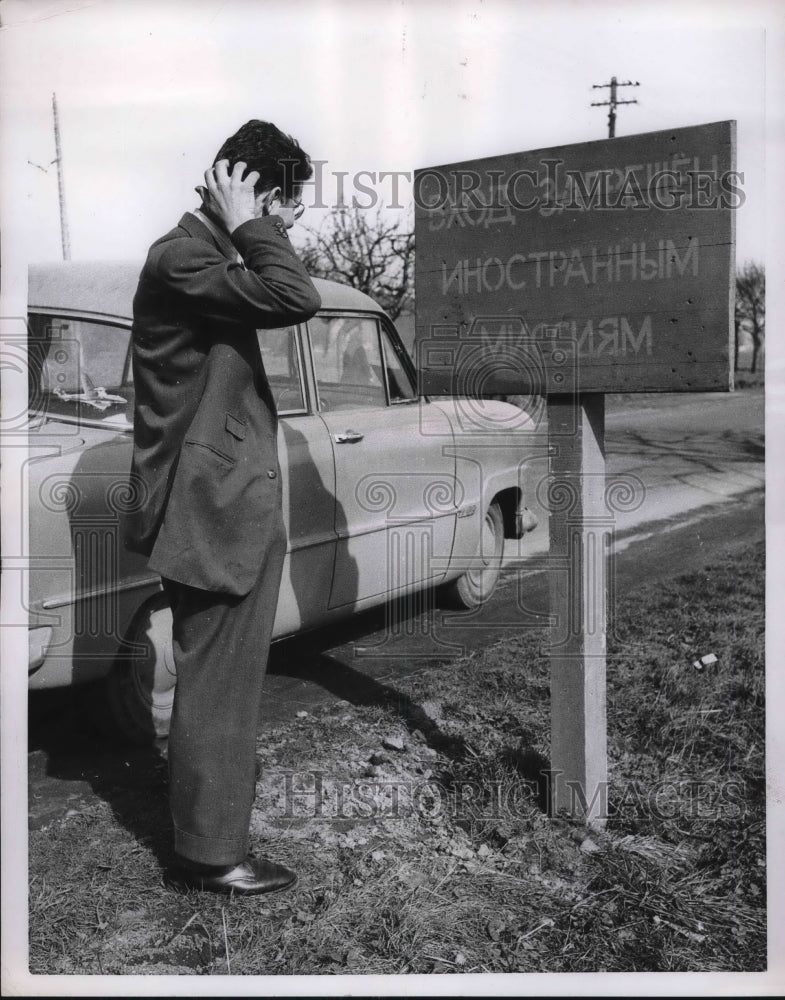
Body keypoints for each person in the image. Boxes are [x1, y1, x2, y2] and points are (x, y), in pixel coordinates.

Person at [123, 120, 321, 895]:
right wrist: (252, 223)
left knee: (222, 675)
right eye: (286, 203)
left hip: (215, 501)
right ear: (259, 191)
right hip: (209, 508)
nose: (291, 221)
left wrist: (250, 228)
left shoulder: (205, 257)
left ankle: (209, 836)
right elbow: (294, 295)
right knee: (219, 681)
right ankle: (210, 856)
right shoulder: (186, 256)